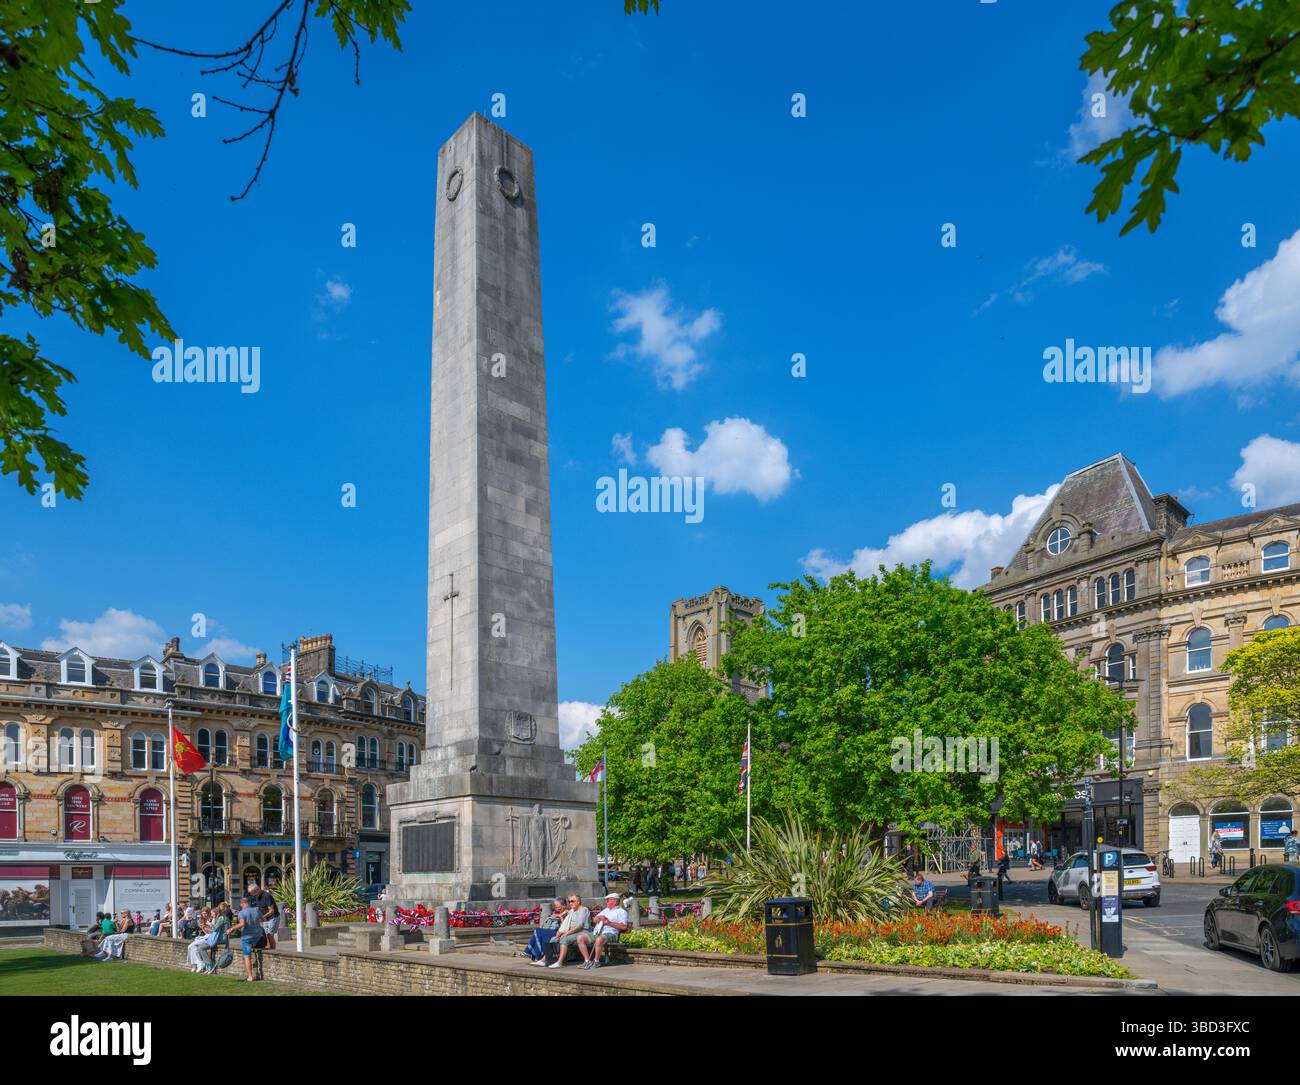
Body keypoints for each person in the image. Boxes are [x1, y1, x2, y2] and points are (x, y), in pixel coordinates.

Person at [578, 891, 629, 969]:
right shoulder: (606, 910)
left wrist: (608, 922)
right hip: (597, 932)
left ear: (614, 901)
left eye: (608, 900)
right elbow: (594, 920)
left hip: (611, 933)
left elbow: (624, 927)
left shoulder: (622, 912)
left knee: (599, 939)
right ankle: (587, 961)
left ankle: (596, 962)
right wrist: (598, 918)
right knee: (580, 938)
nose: (606, 902)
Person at [228, 894, 267, 982]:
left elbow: (242, 924)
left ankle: (250, 976)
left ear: (243, 903)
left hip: (247, 938)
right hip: (259, 938)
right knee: (253, 954)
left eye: (241, 905)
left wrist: (232, 929)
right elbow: (263, 920)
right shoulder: (257, 910)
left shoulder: (242, 913)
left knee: (247, 956)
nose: (240, 906)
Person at [547, 894, 591, 968]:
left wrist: (567, 933)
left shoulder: (583, 910)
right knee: (553, 939)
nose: (570, 903)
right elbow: (565, 924)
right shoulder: (572, 911)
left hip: (583, 931)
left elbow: (579, 926)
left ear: (578, 901)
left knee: (564, 939)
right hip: (573, 932)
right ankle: (545, 960)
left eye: (572, 901)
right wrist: (560, 932)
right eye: (569, 901)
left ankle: (560, 962)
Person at [525, 897, 566, 964]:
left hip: (558, 932)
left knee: (538, 931)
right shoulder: (557, 912)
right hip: (552, 930)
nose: (557, 909)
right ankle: (537, 957)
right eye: (556, 907)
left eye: (559, 907)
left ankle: (530, 952)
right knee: (539, 933)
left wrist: (560, 917)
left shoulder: (567, 913)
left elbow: (565, 926)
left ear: (564, 905)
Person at [248, 881, 280, 951]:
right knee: (266, 934)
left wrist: (262, 917)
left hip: (273, 917)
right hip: (265, 918)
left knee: (270, 934)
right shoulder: (257, 896)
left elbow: (271, 911)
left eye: (254, 894)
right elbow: (259, 908)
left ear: (257, 890)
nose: (254, 896)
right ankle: (269, 949)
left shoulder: (267, 896)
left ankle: (272, 950)